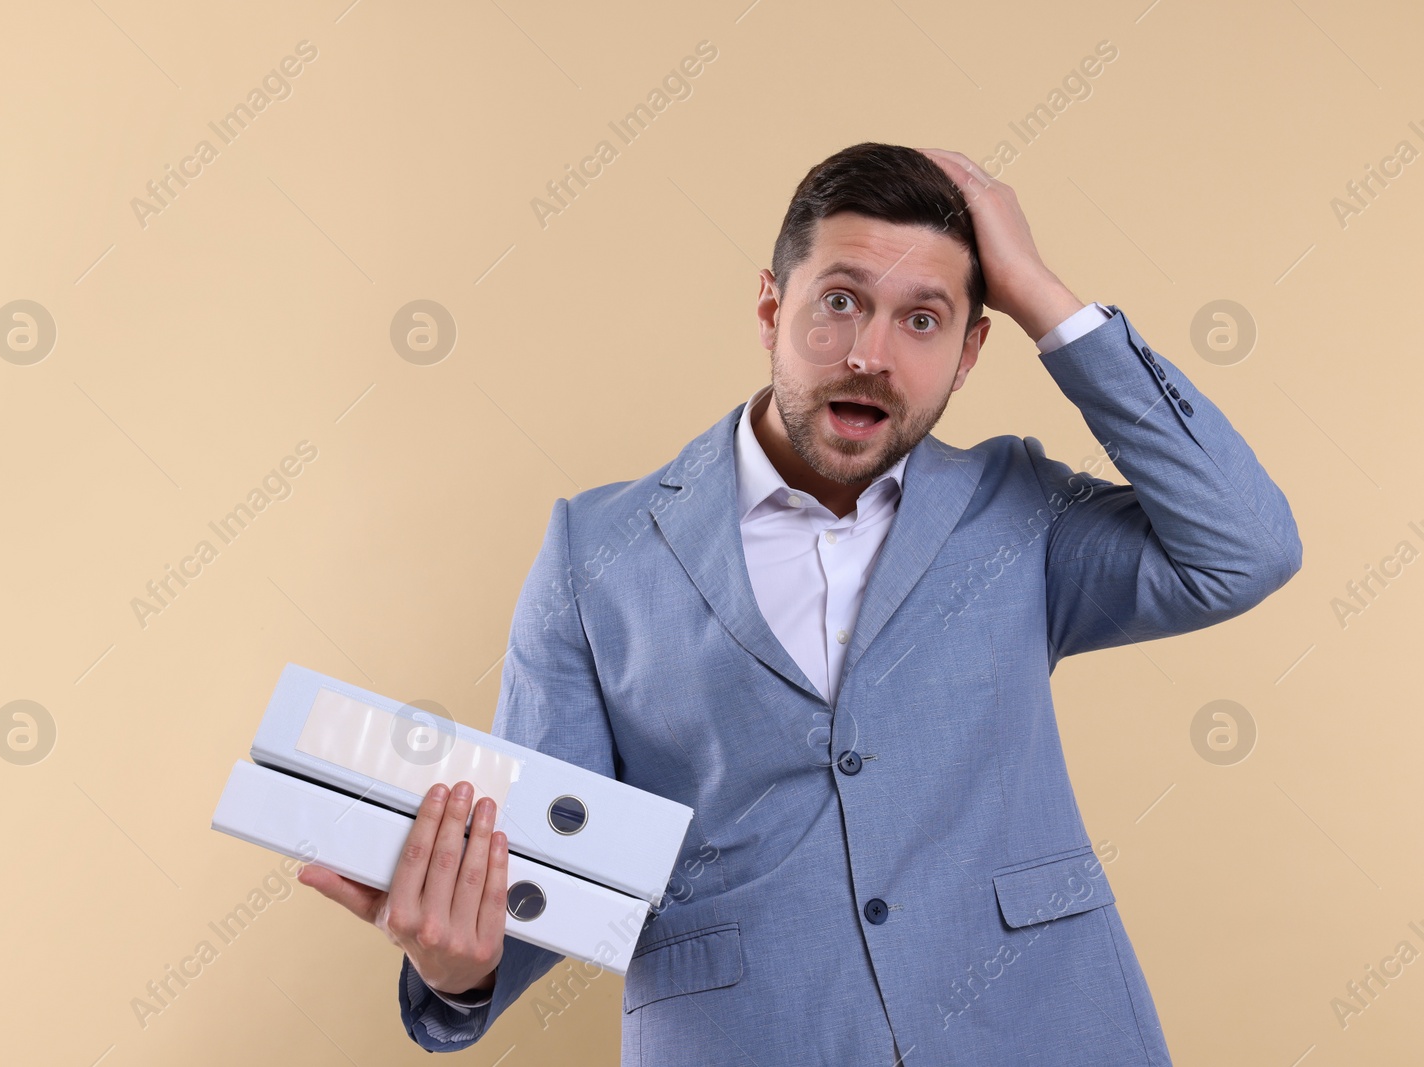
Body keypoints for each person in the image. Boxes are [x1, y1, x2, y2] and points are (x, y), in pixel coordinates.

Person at [298, 143, 1301, 1064]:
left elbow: (1243, 547)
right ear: (772, 309)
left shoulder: (1016, 513)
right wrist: (456, 964)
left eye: (922, 318)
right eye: (840, 302)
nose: (870, 351)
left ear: (969, 351)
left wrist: (1044, 296)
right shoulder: (593, 551)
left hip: (1039, 1027)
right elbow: (553, 863)